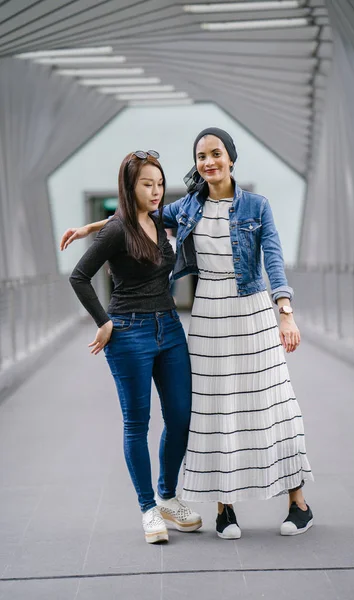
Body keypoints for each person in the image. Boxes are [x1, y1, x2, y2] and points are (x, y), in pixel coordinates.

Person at [61, 128, 314, 539]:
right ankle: (224, 508)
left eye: (216, 153)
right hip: (209, 315)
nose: (209, 161)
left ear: (231, 158)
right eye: (201, 155)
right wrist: (92, 229)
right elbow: (132, 216)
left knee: (274, 404)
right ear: (196, 164)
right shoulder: (188, 207)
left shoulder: (257, 206)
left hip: (251, 310)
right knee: (212, 411)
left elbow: (273, 258)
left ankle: (298, 503)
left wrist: (285, 311)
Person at [67, 151, 202, 544]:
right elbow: (79, 277)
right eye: (147, 184)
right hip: (129, 332)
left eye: (159, 183)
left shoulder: (161, 220)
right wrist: (104, 322)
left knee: (180, 417)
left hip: (171, 329)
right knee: (137, 422)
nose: (156, 191)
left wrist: (86, 225)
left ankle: (167, 496)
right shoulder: (116, 231)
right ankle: (148, 508)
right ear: (130, 186)